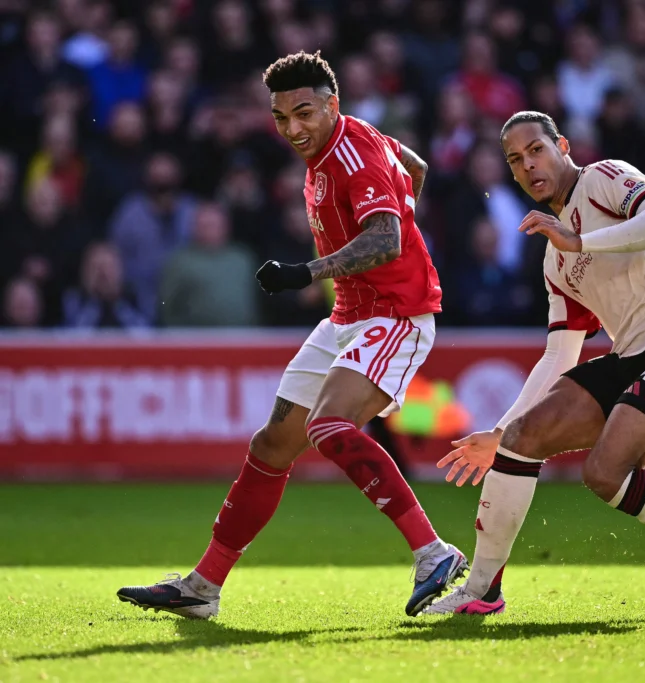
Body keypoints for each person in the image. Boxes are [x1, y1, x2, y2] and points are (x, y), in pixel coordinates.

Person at [117, 51, 466, 619]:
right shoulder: (346, 142)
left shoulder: (352, 152)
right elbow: (416, 168)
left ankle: (434, 553)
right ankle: (203, 588)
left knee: (328, 426)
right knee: (271, 446)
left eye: (304, 113)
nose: (293, 129)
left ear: (332, 105)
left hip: (395, 314)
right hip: (347, 317)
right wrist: (401, 207)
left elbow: (386, 239)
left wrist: (307, 272)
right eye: (281, 117)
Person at [425, 111, 645, 618]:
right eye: (516, 160)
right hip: (631, 354)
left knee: (604, 473)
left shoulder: (604, 178)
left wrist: (581, 241)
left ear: (562, 146)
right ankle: (481, 590)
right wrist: (499, 431)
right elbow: (560, 354)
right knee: (522, 438)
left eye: (537, 150)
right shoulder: (554, 261)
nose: (528, 165)